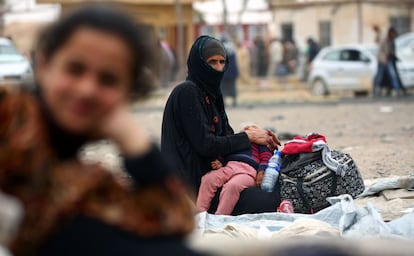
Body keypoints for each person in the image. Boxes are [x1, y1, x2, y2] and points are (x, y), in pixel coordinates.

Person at [0, 7, 198, 256]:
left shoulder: (88, 180)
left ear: (128, 93)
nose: (87, 90)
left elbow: (174, 221)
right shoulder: (9, 125)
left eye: (108, 80)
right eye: (74, 69)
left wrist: (132, 140)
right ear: (43, 65)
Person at [161, 35, 281, 215]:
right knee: (266, 199)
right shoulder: (187, 92)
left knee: (273, 187)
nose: (218, 68)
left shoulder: (211, 94)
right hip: (192, 185)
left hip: (217, 174)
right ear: (199, 63)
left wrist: (258, 137)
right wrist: (247, 137)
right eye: (212, 62)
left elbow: (226, 137)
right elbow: (206, 144)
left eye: (222, 62)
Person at [196, 143, 272, 215]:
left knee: (232, 186)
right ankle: (200, 214)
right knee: (208, 179)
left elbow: (266, 158)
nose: (248, 128)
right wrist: (220, 161)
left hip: (248, 171)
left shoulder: (261, 145)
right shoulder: (237, 140)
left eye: (253, 128)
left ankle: (220, 217)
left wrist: (261, 171)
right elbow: (224, 153)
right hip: (230, 166)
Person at [374, 27, 406, 97]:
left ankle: (397, 90)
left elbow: (391, 51)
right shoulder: (384, 40)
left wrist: (394, 56)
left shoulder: (392, 41)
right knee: (379, 76)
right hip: (382, 60)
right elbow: (380, 51)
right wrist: (383, 59)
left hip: (388, 60)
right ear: (390, 33)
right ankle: (376, 90)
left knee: (392, 75)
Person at [221, 35, 239, 107]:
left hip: (224, 71)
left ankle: (224, 101)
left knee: (223, 86)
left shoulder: (220, 48)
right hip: (233, 71)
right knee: (232, 86)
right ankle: (234, 100)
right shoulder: (233, 47)